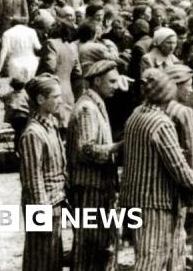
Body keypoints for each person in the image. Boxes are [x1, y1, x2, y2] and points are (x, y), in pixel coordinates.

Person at [119, 68, 193, 270]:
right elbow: (178, 165)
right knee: (152, 261)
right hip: (156, 202)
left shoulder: (136, 114)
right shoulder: (161, 123)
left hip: (133, 198)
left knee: (146, 255)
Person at [66, 60, 123, 271]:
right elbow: (86, 150)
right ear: (97, 81)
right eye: (112, 81)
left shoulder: (94, 104)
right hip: (90, 187)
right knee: (89, 245)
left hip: (97, 186)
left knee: (97, 244)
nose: (116, 86)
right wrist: (117, 147)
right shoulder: (87, 109)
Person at [19, 74, 66, 271]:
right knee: (39, 261)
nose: (60, 100)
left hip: (55, 202)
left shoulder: (51, 125)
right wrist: (42, 214)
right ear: (40, 99)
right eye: (55, 97)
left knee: (52, 260)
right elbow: (33, 179)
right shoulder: (33, 134)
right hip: (43, 206)